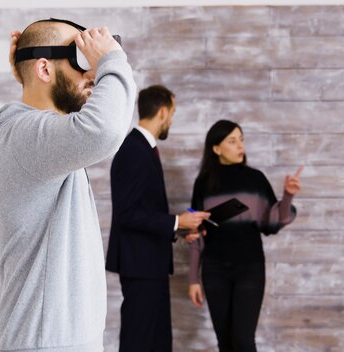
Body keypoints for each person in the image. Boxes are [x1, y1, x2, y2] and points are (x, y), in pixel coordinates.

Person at [0, 18, 136, 352]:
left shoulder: (36, 136)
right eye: (79, 59)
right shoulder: (23, 136)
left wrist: (27, 74)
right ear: (45, 69)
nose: (90, 74)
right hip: (45, 342)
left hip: (51, 339)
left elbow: (99, 123)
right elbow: (103, 131)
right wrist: (112, 59)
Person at [106, 85, 210, 352]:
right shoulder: (134, 150)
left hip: (148, 263)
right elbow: (128, 213)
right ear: (162, 112)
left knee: (155, 341)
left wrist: (179, 230)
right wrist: (176, 222)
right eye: (172, 113)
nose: (172, 120)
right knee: (140, 341)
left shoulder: (142, 149)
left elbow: (144, 210)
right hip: (140, 265)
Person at [187, 120, 302, 352]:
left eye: (241, 139)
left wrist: (287, 196)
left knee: (243, 341)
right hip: (214, 269)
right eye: (232, 141)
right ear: (216, 148)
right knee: (225, 343)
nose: (240, 146)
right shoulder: (203, 184)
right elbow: (196, 233)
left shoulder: (255, 179)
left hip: (249, 268)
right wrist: (192, 279)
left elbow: (271, 222)